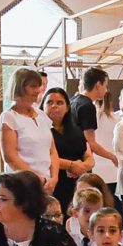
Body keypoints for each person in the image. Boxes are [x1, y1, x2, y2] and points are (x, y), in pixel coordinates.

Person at [0, 67, 58, 195]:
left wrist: (54, 178)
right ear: (19, 88)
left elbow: (52, 151)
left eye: (38, 86)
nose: (38, 90)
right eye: (32, 86)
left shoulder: (42, 115)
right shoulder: (9, 117)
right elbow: (10, 158)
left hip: (46, 183)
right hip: (22, 185)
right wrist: (37, 179)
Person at [44, 87, 93, 215]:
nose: (54, 106)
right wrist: (70, 165)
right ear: (43, 106)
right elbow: (43, 157)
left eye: (59, 103)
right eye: (49, 102)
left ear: (67, 108)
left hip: (78, 184)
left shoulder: (75, 130)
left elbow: (89, 156)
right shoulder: (41, 131)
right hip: (55, 183)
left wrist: (81, 167)